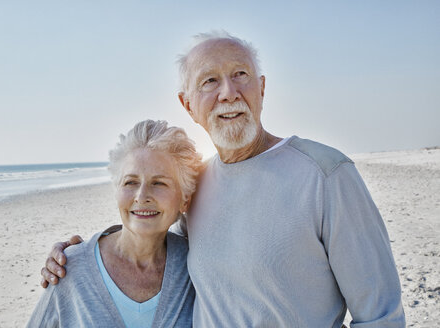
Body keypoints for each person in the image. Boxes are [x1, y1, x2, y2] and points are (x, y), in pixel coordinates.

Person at [41, 32, 406, 327]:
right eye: (210, 81)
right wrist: (80, 254)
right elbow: (153, 227)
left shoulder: (326, 173)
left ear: (261, 87)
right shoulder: (197, 184)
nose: (228, 92)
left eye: (240, 75)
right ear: (188, 104)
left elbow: (381, 316)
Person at [28, 120, 202, 327]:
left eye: (159, 183)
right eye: (131, 182)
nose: (141, 196)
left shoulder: (196, 266)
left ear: (184, 199)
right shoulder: (69, 269)